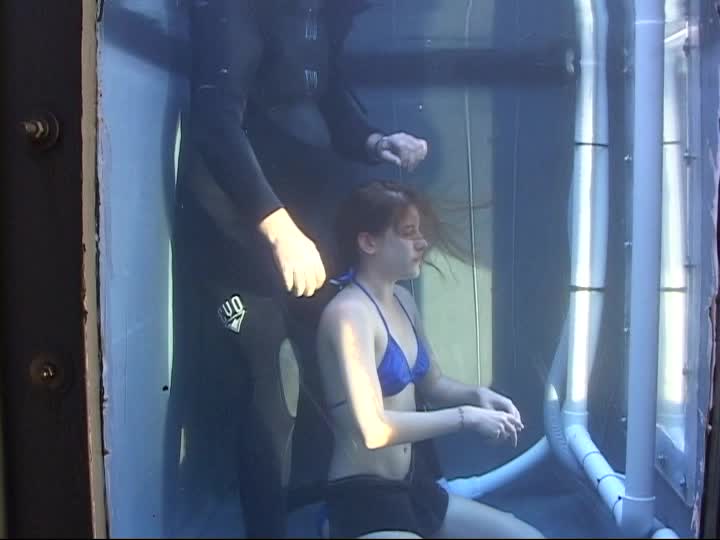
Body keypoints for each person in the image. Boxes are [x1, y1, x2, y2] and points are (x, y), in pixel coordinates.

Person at [167, 0, 428, 538]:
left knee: (360, 350)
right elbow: (216, 126)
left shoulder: (323, 13)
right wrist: (279, 231)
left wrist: (375, 141)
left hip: (302, 230)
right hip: (238, 240)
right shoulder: (241, 10)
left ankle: (382, 510)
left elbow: (321, 95)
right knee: (275, 380)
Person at [315, 181, 545, 538]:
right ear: (368, 243)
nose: (422, 243)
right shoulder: (348, 315)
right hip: (365, 499)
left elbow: (433, 383)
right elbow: (374, 430)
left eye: (420, 232)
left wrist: (477, 395)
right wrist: (467, 417)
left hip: (415, 489)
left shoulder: (403, 301)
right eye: (409, 233)